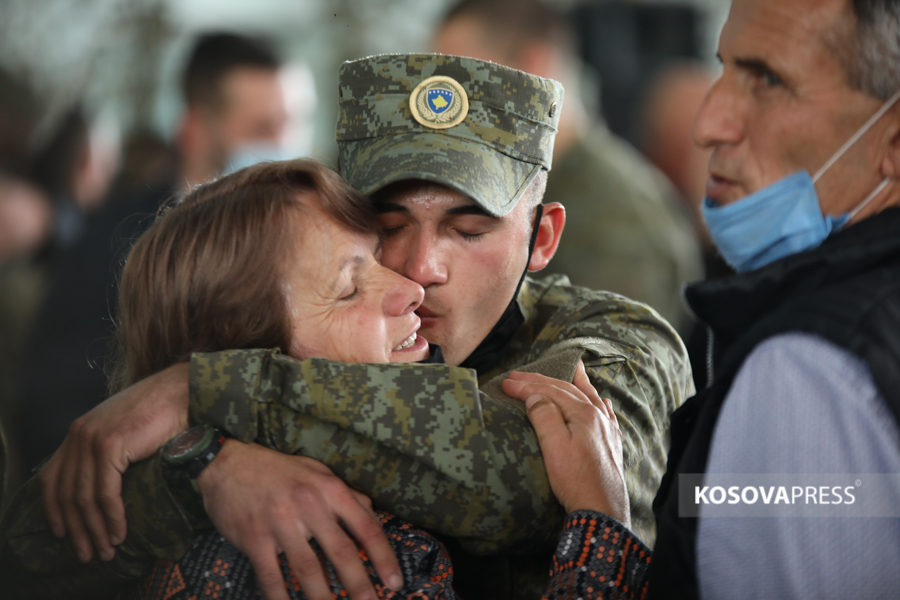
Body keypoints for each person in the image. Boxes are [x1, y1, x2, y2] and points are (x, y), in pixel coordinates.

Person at [14, 54, 693, 600]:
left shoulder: (618, 340)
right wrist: (204, 470)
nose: (418, 272)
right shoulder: (346, 344)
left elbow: (528, 478)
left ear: (541, 239)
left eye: (469, 228)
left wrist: (202, 393)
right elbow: (36, 548)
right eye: (388, 229)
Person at [500, 0, 900, 597]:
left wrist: (601, 526)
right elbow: (804, 502)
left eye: (768, 80)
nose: (709, 122)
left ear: (891, 143)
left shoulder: (807, 371)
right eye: (726, 69)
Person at [10, 31, 291, 478]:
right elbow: (57, 415)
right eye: (262, 128)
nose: (285, 143)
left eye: (294, 121)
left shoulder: (311, 240)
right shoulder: (110, 243)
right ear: (196, 128)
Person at [433, 0, 704, 334]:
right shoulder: (537, 187)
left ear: (533, 68)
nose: (448, 110)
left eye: (463, 83)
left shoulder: (614, 217)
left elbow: (609, 372)